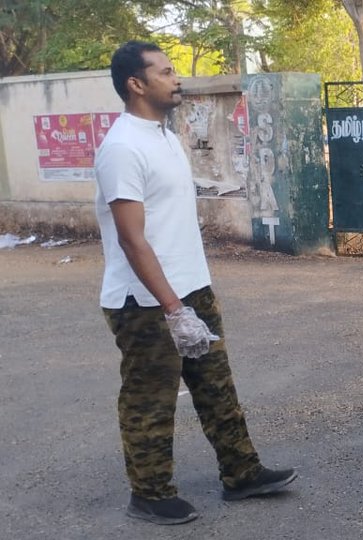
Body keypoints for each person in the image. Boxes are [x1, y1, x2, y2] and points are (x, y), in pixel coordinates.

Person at [94, 41, 296, 526]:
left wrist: (190, 299)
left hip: (191, 287)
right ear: (136, 85)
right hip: (145, 300)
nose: (176, 78)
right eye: (165, 72)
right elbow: (131, 238)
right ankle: (150, 493)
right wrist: (172, 308)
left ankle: (241, 473)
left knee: (215, 387)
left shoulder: (163, 135)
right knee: (150, 398)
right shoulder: (122, 147)